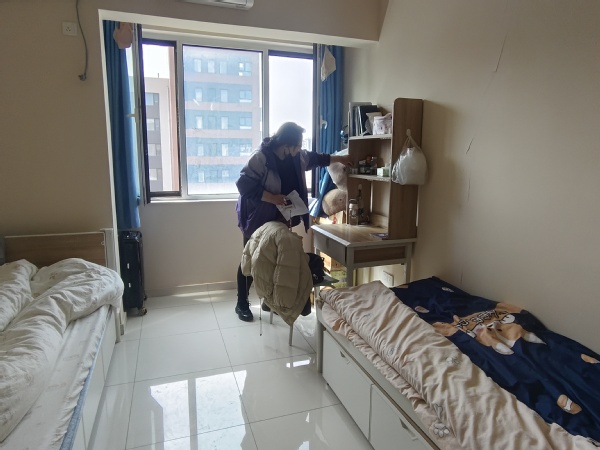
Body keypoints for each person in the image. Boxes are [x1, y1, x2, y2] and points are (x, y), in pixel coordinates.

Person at [234, 122, 352, 322]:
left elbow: (317, 158)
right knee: (252, 256)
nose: (299, 149)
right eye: (297, 145)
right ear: (286, 144)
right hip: (256, 215)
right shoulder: (261, 158)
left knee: (275, 259)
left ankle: (269, 301)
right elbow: (243, 185)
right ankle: (242, 303)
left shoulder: (296, 157)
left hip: (281, 215)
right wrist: (272, 198)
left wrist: (341, 159)